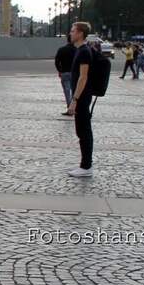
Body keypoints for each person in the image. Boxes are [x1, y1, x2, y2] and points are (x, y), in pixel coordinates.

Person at [67, 22, 93, 178]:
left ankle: (86, 166)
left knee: (84, 131)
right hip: (81, 96)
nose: (70, 33)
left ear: (80, 33)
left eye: (72, 31)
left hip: (82, 97)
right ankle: (85, 165)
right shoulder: (80, 50)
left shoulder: (84, 52)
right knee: (81, 131)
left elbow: (83, 77)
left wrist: (75, 99)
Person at [54, 35, 76, 116]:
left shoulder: (62, 49)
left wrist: (60, 70)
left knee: (67, 92)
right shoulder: (77, 50)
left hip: (65, 73)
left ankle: (69, 108)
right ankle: (75, 108)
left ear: (67, 40)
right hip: (75, 73)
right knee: (75, 91)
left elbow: (57, 62)